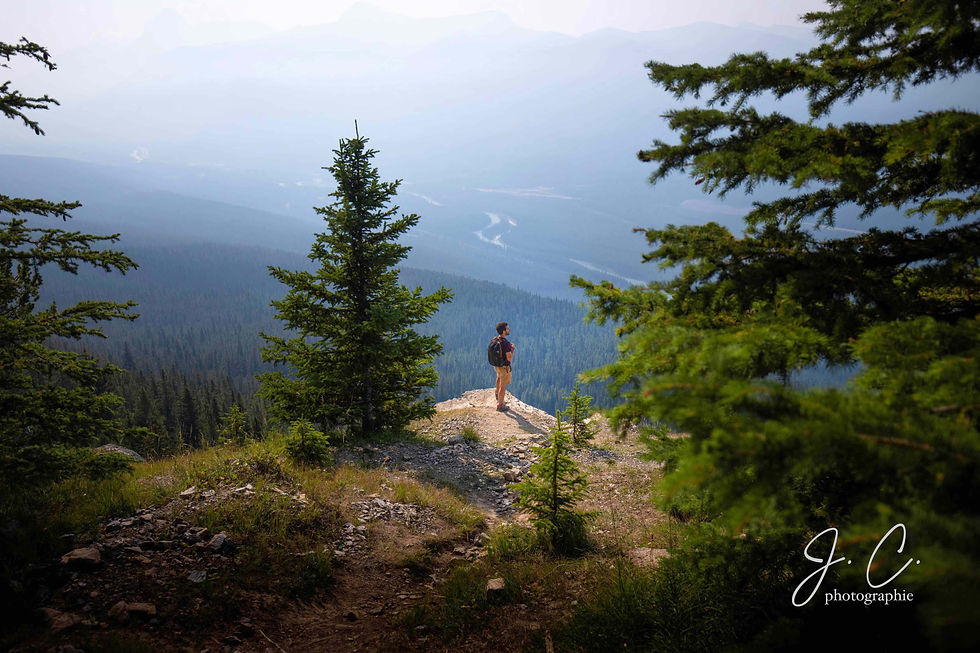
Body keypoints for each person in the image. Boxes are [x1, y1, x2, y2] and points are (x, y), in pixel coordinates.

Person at [492, 321, 515, 411]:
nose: (509, 329)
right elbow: (509, 358)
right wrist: (512, 349)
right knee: (503, 385)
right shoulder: (505, 343)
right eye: (508, 328)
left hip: (496, 365)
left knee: (498, 377)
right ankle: (500, 405)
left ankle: (497, 394)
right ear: (504, 331)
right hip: (504, 367)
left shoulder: (495, 339)